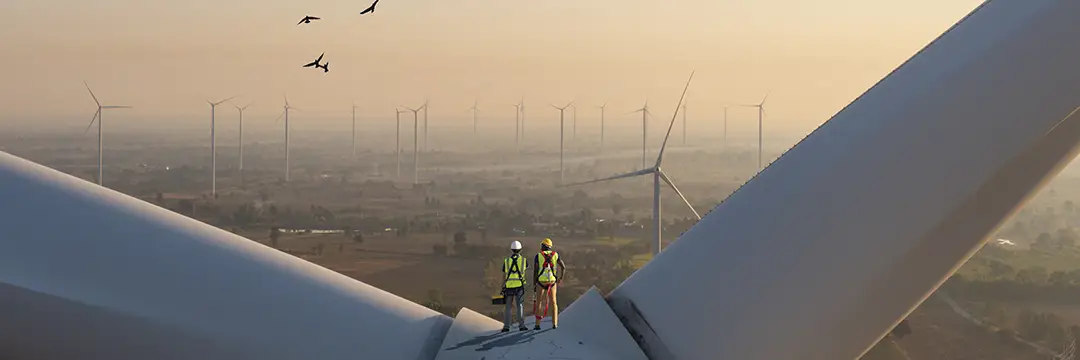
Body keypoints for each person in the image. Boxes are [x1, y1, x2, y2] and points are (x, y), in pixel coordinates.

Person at [532, 238, 566, 330]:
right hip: (552, 282)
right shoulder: (555, 255)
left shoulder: (538, 256)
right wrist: (560, 278)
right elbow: (563, 267)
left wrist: (534, 284)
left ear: (543, 246)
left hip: (541, 281)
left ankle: (537, 325)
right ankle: (555, 324)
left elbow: (535, 271)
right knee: (554, 302)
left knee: (539, 302)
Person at [500, 240, 528, 332]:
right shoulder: (524, 261)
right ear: (520, 249)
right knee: (519, 306)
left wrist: (502, 286)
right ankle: (521, 325)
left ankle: (506, 327)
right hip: (519, 286)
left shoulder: (506, 261)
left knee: (508, 307)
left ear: (511, 249)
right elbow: (524, 271)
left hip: (508, 286)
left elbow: (504, 275)